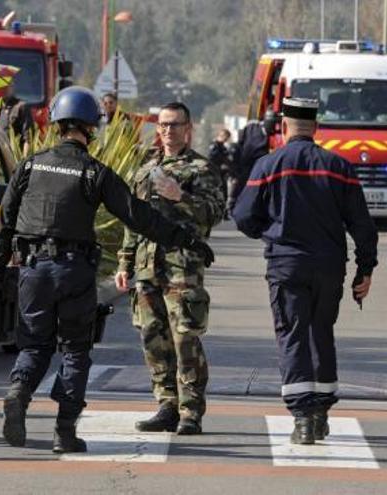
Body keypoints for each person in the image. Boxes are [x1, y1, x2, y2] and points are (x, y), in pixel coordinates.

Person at [0, 87, 215, 453]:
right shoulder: (94, 171)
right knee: (75, 351)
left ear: (56, 124)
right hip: (73, 272)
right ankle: (64, 432)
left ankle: (18, 392)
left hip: (32, 271)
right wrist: (189, 240)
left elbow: (6, 222)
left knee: (34, 345)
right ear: (91, 128)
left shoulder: (30, 166)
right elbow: (139, 218)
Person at [232, 98, 378, 445]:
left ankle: (302, 419)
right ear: (316, 128)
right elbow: (363, 225)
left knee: (292, 335)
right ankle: (321, 414)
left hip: (286, 265)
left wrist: (268, 231)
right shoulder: (339, 167)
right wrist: (365, 269)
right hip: (329, 267)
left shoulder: (268, 165)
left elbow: (243, 216)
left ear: (283, 126)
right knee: (321, 334)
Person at [114, 102, 225, 436]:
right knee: (153, 339)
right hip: (148, 267)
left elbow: (215, 213)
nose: (168, 131)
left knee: (184, 339)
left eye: (175, 125)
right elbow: (133, 219)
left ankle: (190, 410)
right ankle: (166, 404)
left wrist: (181, 198)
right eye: (163, 125)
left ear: (187, 128)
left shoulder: (201, 169)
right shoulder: (146, 167)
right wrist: (125, 262)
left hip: (182, 268)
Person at [229, 111, 276, 213]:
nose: (272, 126)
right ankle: (232, 205)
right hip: (246, 162)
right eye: (270, 122)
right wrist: (235, 161)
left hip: (260, 165)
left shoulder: (273, 134)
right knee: (240, 183)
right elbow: (239, 142)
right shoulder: (252, 126)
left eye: (273, 123)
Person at [0, 81, 34, 149]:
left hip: (16, 154)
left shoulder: (21, 106)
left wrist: (24, 158)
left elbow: (27, 138)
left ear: (13, 88)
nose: (4, 89)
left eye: (7, 86)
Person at [207, 128, 234, 219]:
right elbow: (212, 160)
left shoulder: (221, 146)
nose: (227, 140)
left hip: (222, 174)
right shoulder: (214, 146)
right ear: (222, 136)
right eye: (226, 138)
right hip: (215, 175)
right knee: (216, 195)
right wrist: (221, 166)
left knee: (224, 195)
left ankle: (223, 214)